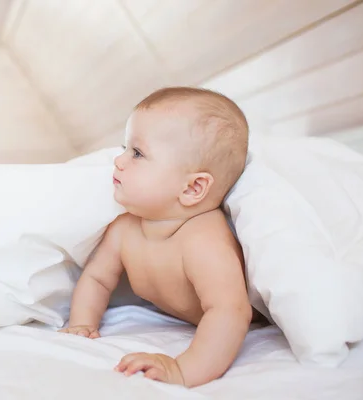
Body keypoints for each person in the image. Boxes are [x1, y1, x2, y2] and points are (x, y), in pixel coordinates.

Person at [59, 87, 252, 387]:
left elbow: (231, 311)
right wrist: (82, 324)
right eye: (124, 148)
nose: (119, 161)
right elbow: (97, 278)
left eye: (137, 153)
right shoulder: (124, 228)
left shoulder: (203, 240)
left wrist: (182, 370)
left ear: (192, 189)